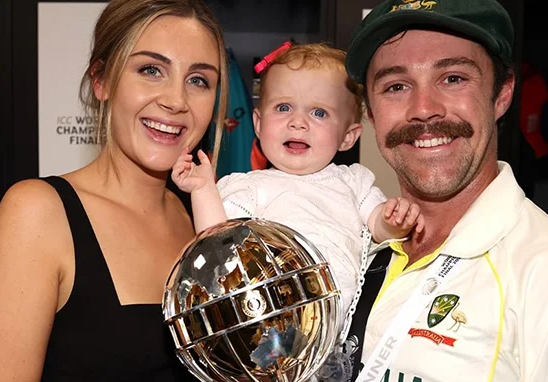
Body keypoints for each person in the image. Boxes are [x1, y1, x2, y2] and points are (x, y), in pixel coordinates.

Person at [314, 0, 548, 382]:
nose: (424, 110)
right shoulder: (350, 240)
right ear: (369, 110)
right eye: (396, 86)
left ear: (502, 94)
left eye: (453, 78)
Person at [0, 0, 229, 382]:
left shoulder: (205, 222)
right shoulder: (38, 212)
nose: (176, 101)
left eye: (198, 80)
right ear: (101, 80)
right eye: (151, 70)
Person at [171, 43, 424, 325]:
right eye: (283, 107)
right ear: (258, 123)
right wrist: (203, 189)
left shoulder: (354, 182)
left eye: (319, 113)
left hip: (344, 328)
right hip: (269, 320)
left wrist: (394, 222)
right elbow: (217, 245)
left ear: (348, 137)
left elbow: (378, 225)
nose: (298, 122)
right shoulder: (248, 187)